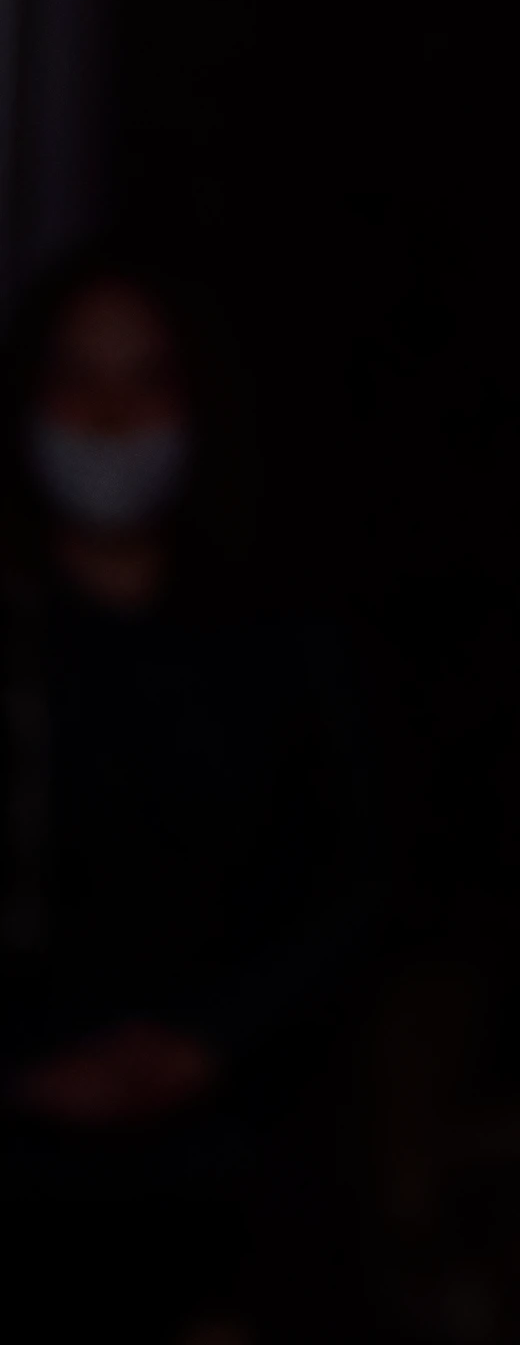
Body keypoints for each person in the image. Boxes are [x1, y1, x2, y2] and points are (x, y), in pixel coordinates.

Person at [0, 251, 378, 1345]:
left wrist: (210, 1040)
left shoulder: (279, 638)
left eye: (145, 379)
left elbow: (353, 878)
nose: (112, 416)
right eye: (77, 378)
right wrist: (28, 1069)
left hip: (231, 1132)